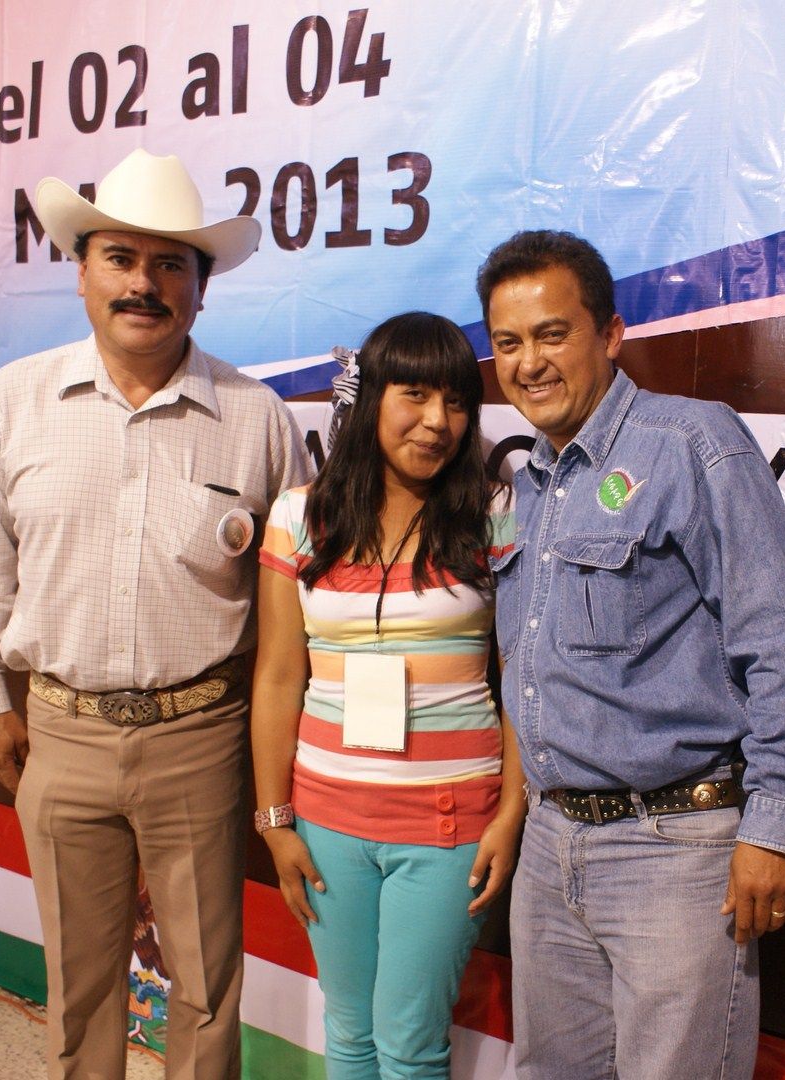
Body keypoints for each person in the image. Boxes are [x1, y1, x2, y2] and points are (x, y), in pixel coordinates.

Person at [0, 148, 309, 1080]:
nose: (143, 284)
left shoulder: (258, 419)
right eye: (119, 258)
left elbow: (295, 608)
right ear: (81, 272)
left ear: (200, 289)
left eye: (169, 264)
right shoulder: (14, 401)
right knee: (80, 988)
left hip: (201, 738)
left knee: (207, 989)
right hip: (58, 735)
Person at [476, 230, 785, 1079]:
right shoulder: (525, 484)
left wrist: (778, 829)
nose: (528, 362)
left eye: (552, 334)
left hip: (675, 853)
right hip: (550, 847)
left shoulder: (691, 443)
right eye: (508, 342)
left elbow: (783, 642)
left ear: (610, 334)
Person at [250, 311, 524, 1080]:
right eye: (415, 395)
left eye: (457, 401)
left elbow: (522, 679)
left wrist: (510, 815)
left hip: (449, 823)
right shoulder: (299, 516)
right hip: (324, 818)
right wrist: (274, 821)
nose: (437, 421)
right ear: (370, 397)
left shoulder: (494, 513)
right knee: (347, 1032)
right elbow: (277, 677)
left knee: (409, 1044)